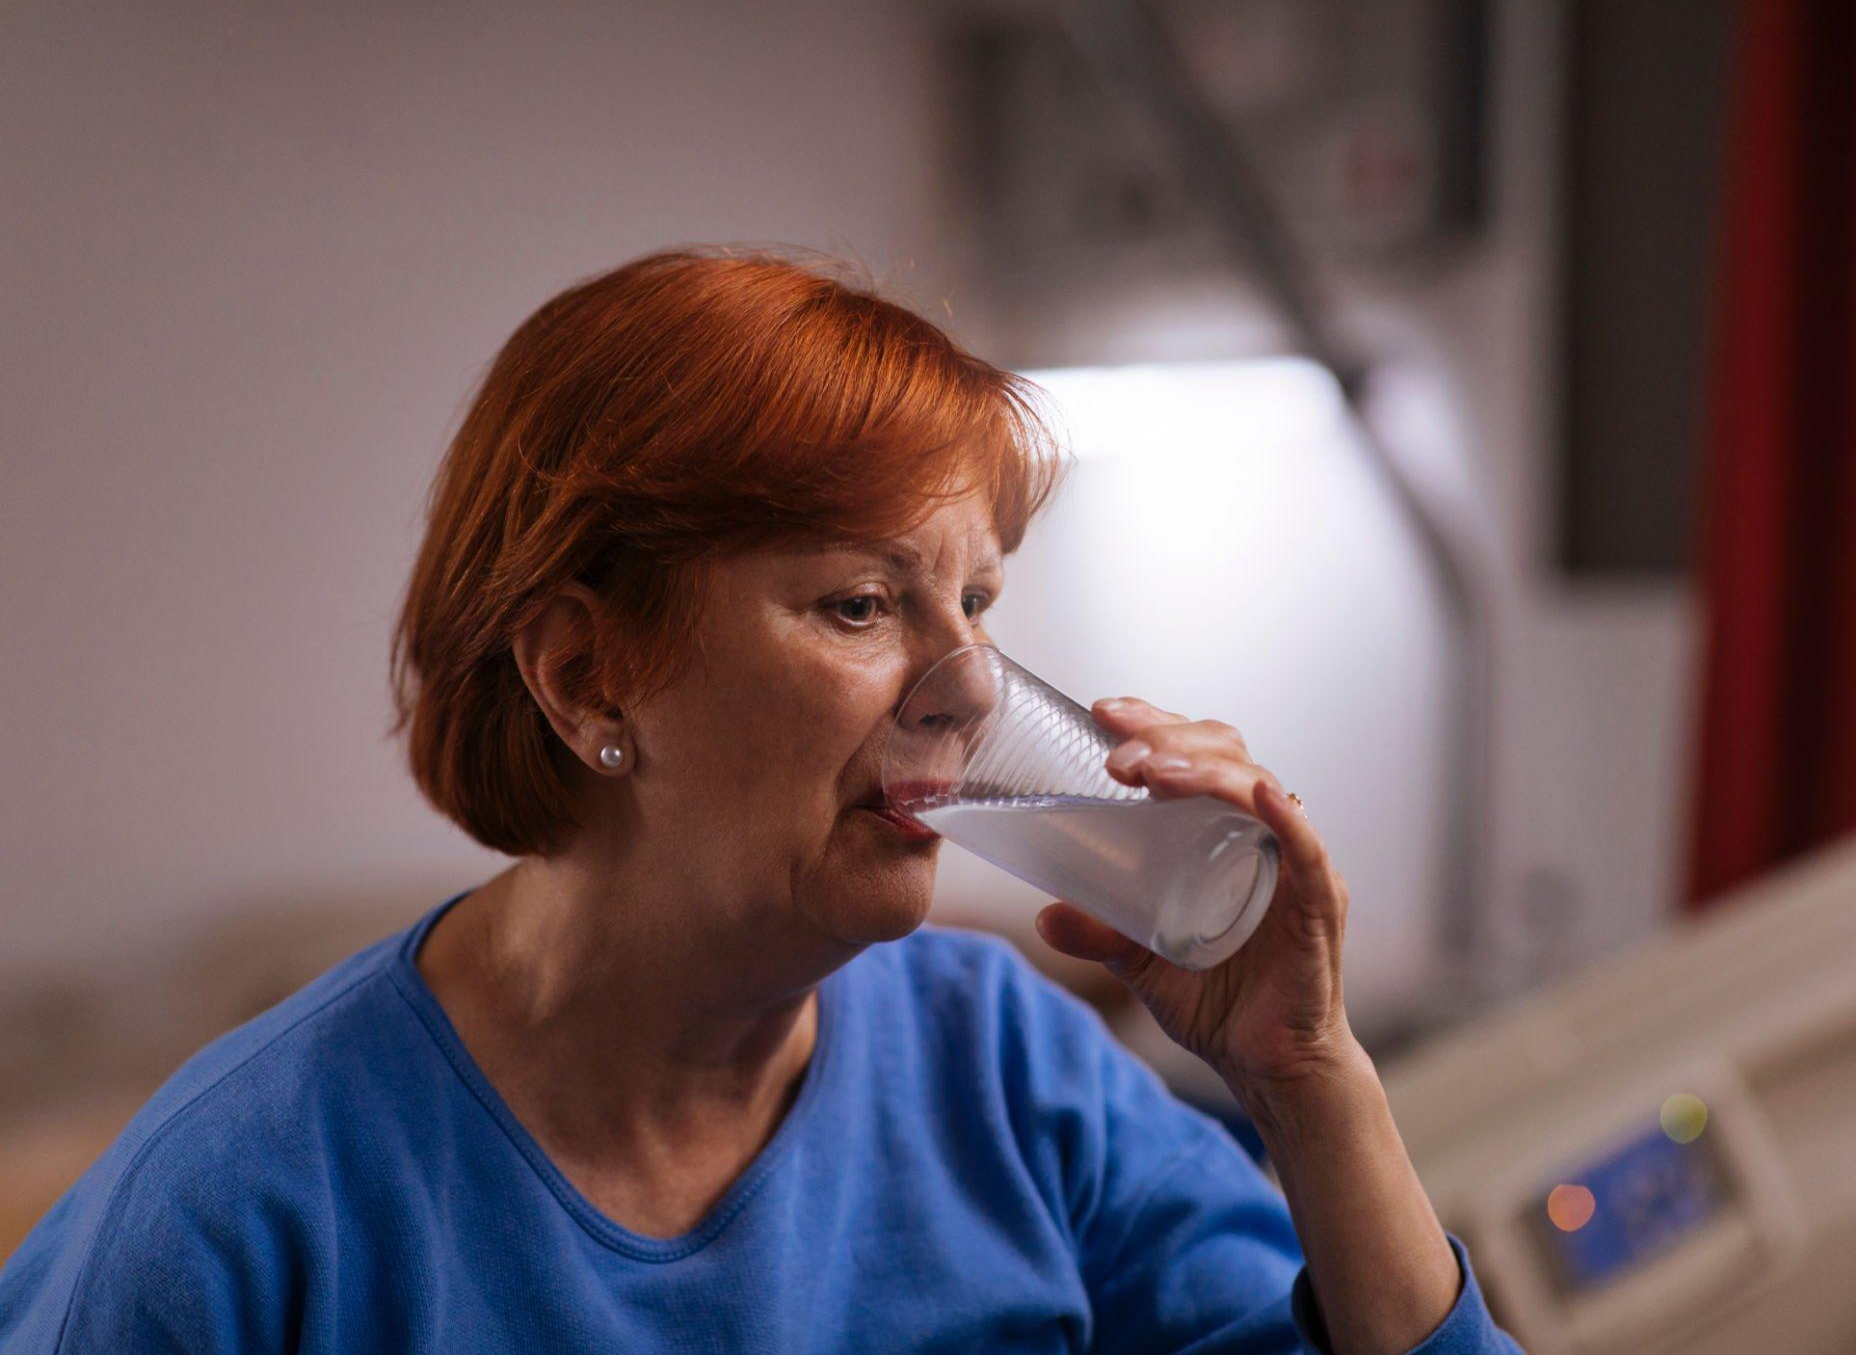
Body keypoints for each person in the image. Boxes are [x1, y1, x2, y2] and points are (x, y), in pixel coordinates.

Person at [0, 250, 1522, 1353]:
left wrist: (1312, 1078)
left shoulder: (1006, 1072)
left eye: (977, 603)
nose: (972, 685)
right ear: (589, 679)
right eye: (862, 605)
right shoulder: (240, 1207)